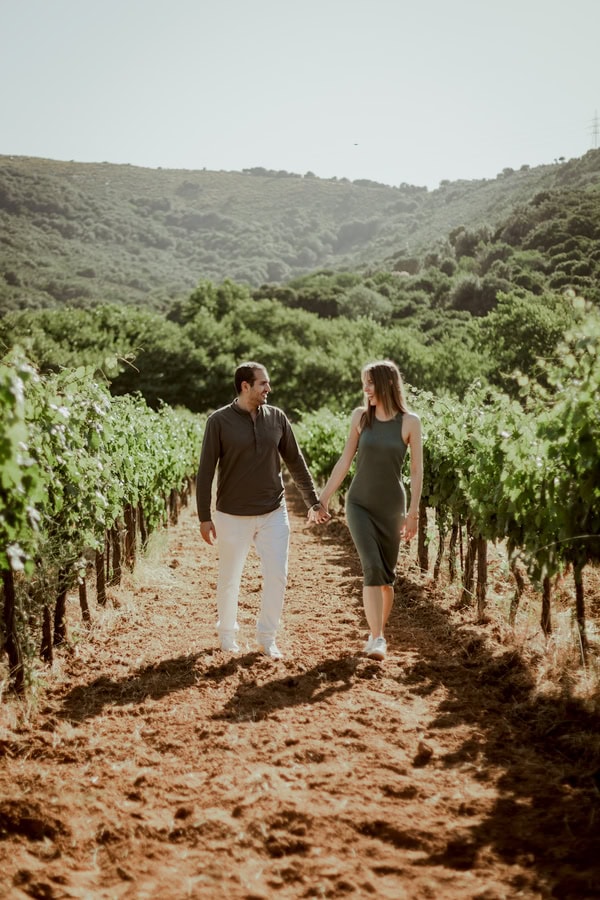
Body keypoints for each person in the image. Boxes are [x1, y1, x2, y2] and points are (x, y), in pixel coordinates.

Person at [196, 361, 329, 659]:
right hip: (232, 514)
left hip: (273, 512)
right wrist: (204, 517)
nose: (269, 388)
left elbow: (296, 462)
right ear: (245, 386)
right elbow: (205, 472)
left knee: (277, 574)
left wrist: (313, 502)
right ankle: (227, 634)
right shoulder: (218, 421)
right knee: (230, 577)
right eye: (263, 384)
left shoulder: (277, 418)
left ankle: (267, 638)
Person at [309, 359, 423, 661]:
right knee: (371, 567)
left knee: (386, 579)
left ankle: (376, 631)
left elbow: (416, 469)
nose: (366, 388)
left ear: (386, 383)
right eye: (364, 382)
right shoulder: (361, 417)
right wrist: (322, 499)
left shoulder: (410, 422)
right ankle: (377, 637)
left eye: (370, 382)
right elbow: (345, 462)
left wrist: (413, 514)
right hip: (359, 504)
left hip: (392, 508)